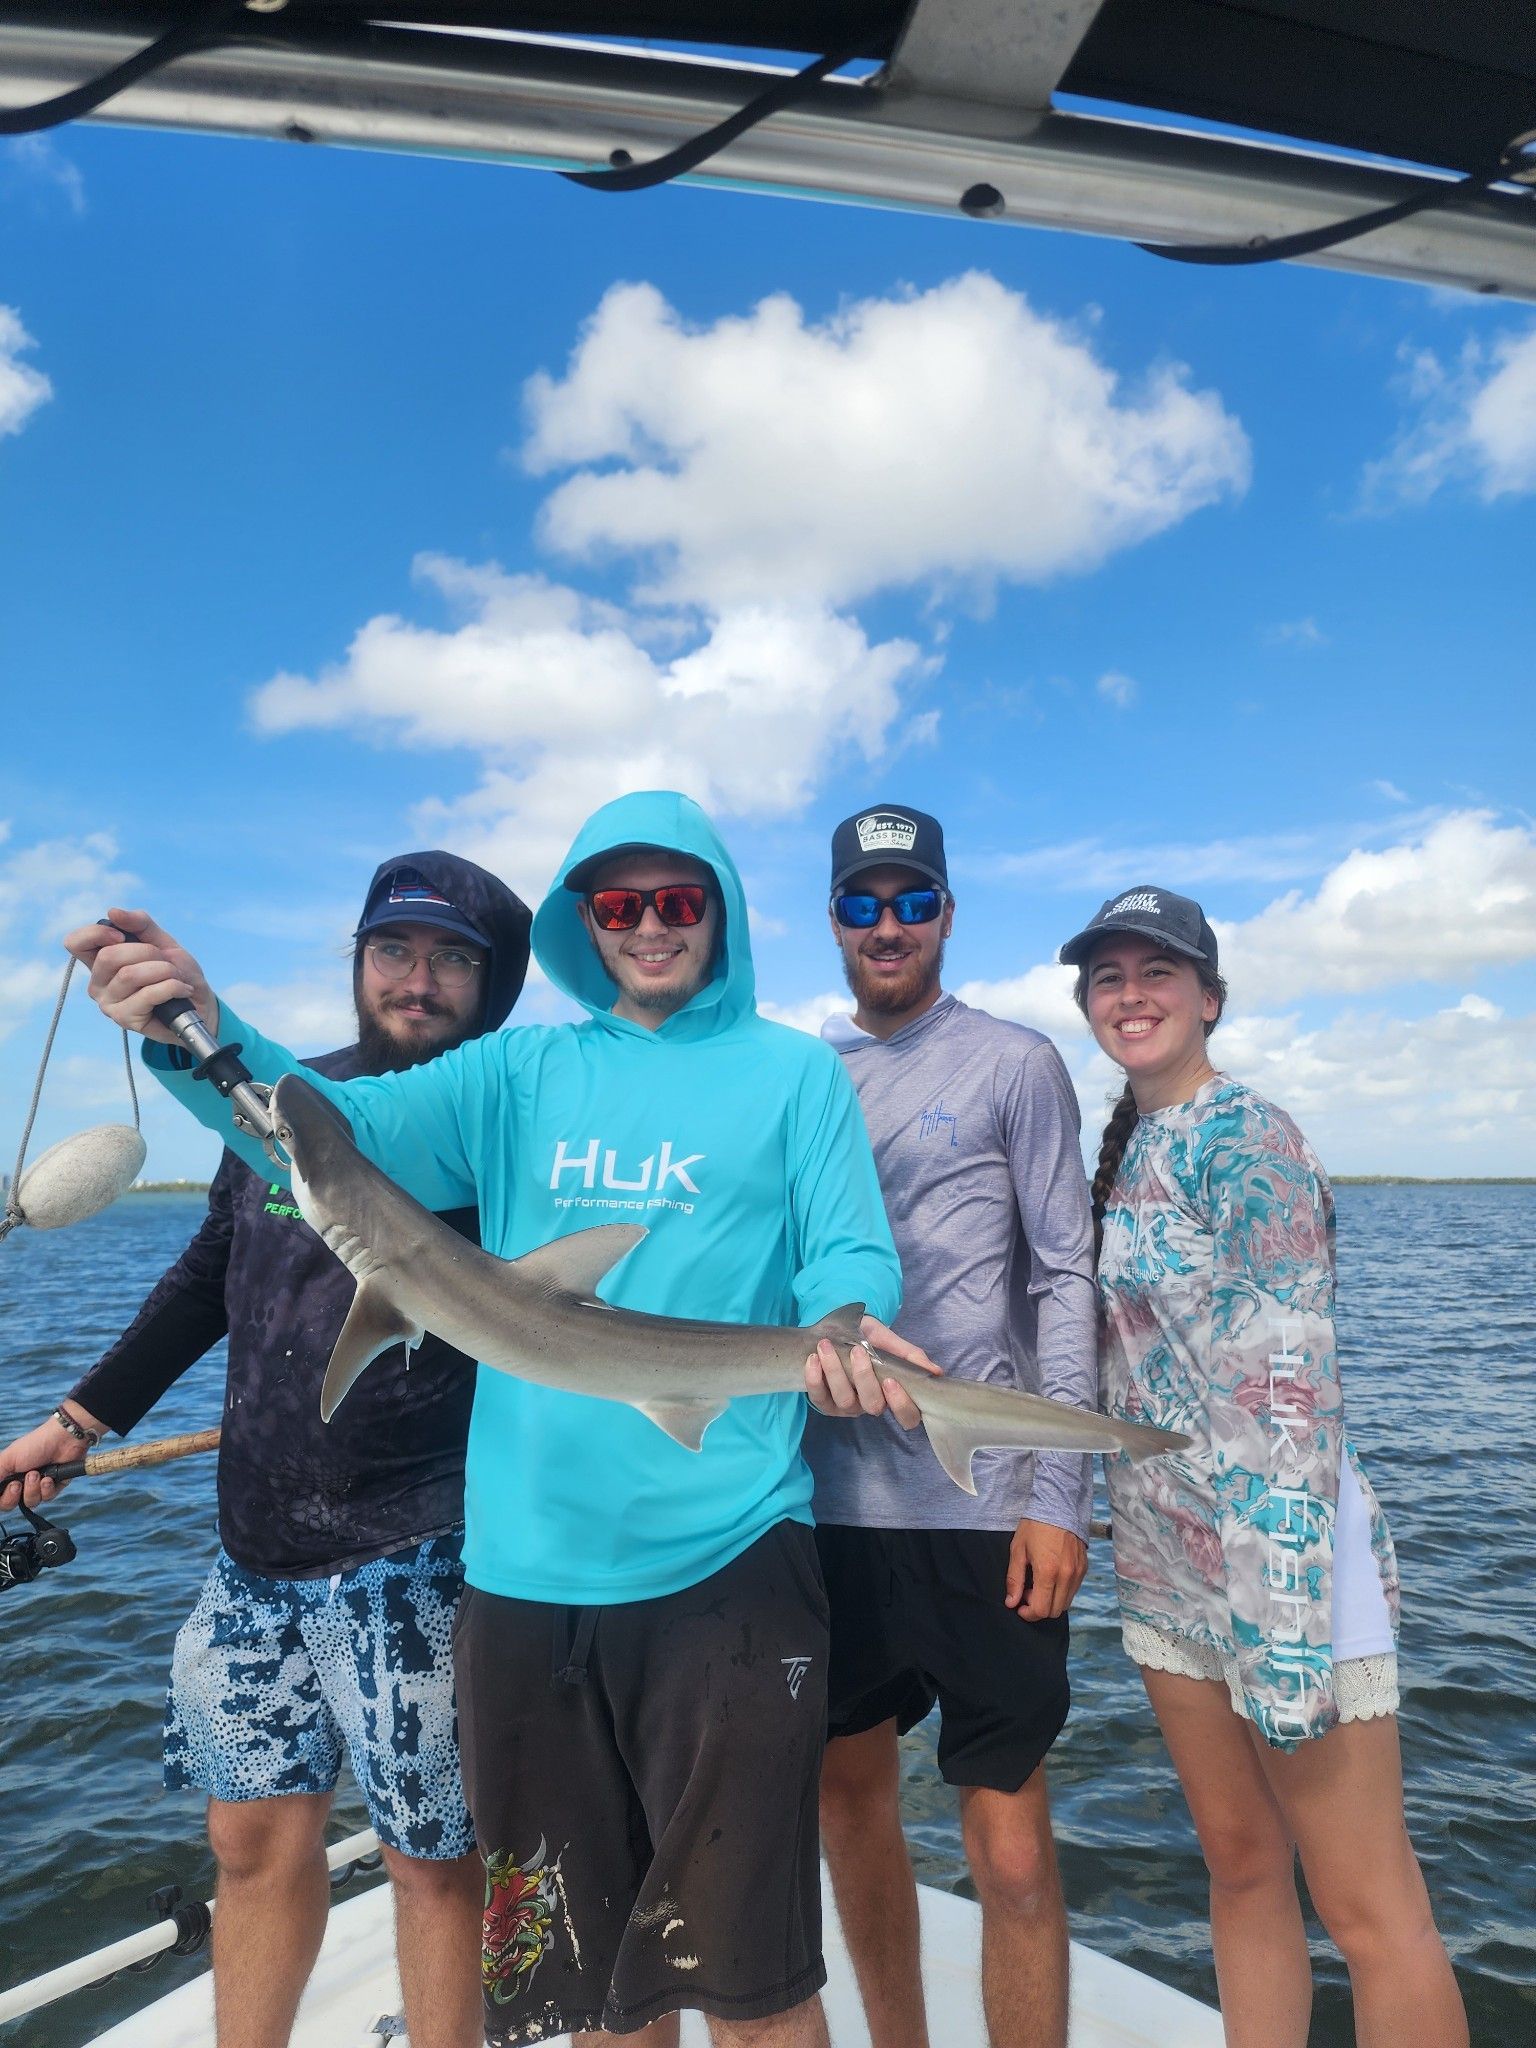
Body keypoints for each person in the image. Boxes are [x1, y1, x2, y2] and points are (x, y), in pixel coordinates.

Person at [64, 790, 921, 2048]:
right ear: (586, 919)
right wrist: (200, 1027)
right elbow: (331, 1133)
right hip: (523, 1580)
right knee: (587, 1980)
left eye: (677, 901)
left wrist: (851, 1318)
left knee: (749, 1978)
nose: (648, 927)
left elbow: (847, 1248)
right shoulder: (521, 1069)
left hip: (728, 1560)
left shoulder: (791, 1070)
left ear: (720, 911)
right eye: (618, 904)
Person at [2, 852, 532, 2048]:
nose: (418, 978)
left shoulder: (502, 1127)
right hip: (254, 1543)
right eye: (395, 948)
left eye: (457, 958)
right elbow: (208, 1277)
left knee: (433, 1856)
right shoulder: (272, 1105)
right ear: (357, 958)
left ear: (492, 991)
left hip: (423, 1546)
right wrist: (81, 1416)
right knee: (248, 1838)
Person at [1062, 884, 1468, 2048]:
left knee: (1371, 1907)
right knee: (1240, 1867)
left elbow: (1293, 1386)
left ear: (1210, 997)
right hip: (1170, 1567)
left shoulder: (1254, 1139)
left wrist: (1279, 1622)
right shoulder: (1130, 1143)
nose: (1130, 996)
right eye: (1108, 977)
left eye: (1157, 973)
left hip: (1283, 1566)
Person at [805, 805, 1098, 2048]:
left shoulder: (1016, 1061)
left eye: (911, 898)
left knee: (1013, 1848)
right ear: (833, 919)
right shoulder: (803, 1078)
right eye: (864, 902)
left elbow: (1066, 1276)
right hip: (828, 1512)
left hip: (987, 1514)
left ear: (947, 913)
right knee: (852, 1807)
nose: (888, 924)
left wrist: (1059, 1496)